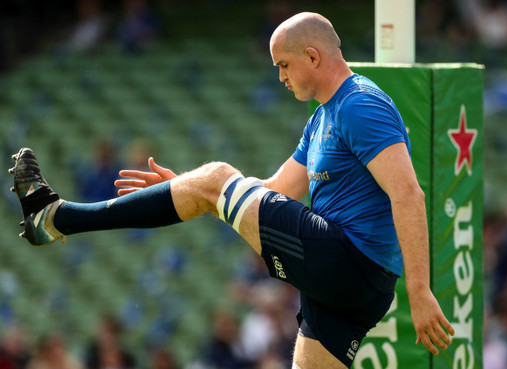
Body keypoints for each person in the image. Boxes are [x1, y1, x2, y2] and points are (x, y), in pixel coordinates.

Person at [9, 12, 454, 369]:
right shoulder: (322, 119)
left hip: (350, 262)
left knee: (220, 173)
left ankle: (55, 217)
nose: (280, 76)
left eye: (283, 64)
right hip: (350, 284)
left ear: (313, 57)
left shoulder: (360, 103)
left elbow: (408, 194)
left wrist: (420, 292)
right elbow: (275, 189)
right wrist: (187, 188)